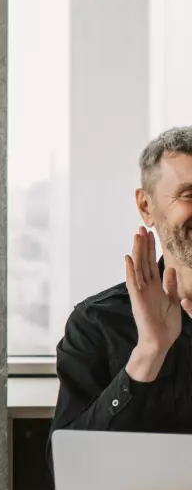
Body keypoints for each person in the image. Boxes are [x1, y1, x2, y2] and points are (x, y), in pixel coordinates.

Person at [51, 127, 192, 439]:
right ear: (146, 206)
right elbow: (72, 466)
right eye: (189, 194)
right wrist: (149, 352)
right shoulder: (96, 323)